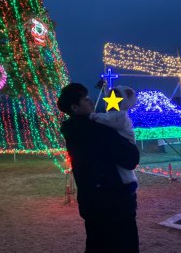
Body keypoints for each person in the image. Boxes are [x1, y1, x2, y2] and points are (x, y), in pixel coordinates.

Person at [57, 83, 140, 253]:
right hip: (115, 202)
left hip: (91, 202)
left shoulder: (72, 131)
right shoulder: (98, 129)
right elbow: (130, 159)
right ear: (75, 107)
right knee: (123, 244)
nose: (89, 99)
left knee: (97, 243)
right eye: (84, 98)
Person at [90, 85, 138, 192]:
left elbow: (110, 120)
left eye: (117, 98)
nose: (113, 100)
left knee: (122, 170)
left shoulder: (121, 116)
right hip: (115, 170)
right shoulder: (112, 116)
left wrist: (93, 116)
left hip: (125, 180)